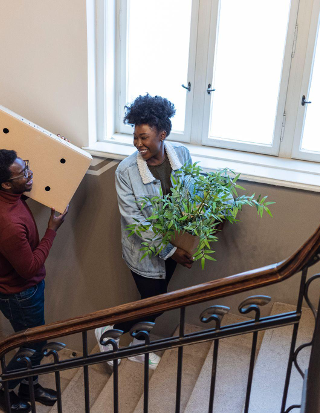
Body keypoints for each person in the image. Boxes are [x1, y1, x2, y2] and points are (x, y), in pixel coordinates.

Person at [96, 94, 194, 370]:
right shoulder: (126, 170)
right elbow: (134, 219)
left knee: (158, 299)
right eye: (135, 137)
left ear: (162, 134)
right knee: (155, 301)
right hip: (143, 250)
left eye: (144, 137)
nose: (138, 144)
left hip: (174, 244)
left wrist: (197, 228)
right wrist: (171, 251)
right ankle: (108, 332)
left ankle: (139, 347)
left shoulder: (182, 155)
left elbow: (190, 194)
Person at [0, 150, 68, 413]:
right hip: (20, 293)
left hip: (25, 290)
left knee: (33, 342)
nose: (30, 176)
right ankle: (5, 389)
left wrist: (58, 153)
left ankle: (29, 387)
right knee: (35, 344)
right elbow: (28, 268)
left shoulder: (12, 195)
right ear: (6, 183)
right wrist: (52, 228)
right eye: (24, 174)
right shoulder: (8, 223)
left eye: (26, 168)